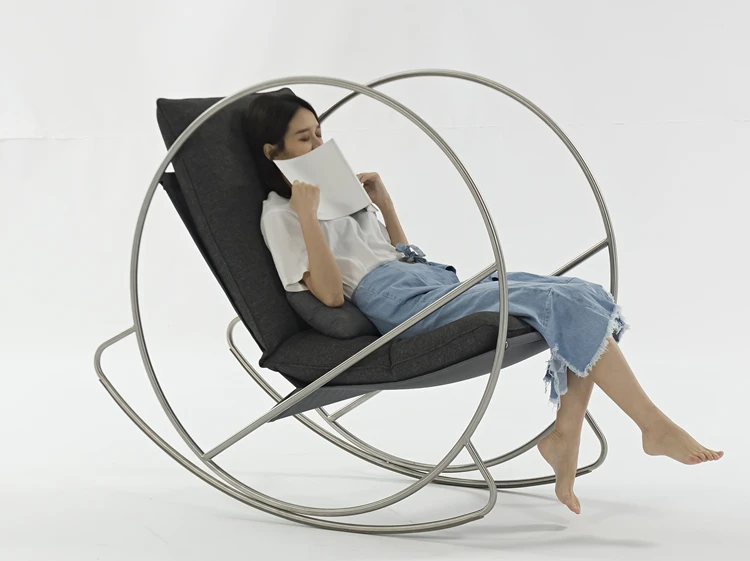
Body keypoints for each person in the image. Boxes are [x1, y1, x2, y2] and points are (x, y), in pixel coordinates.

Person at [244, 89, 723, 515]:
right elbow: (331, 295)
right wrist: (307, 217)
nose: (319, 145)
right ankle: (652, 427)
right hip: (401, 308)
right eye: (305, 138)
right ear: (273, 152)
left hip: (428, 280)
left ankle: (565, 433)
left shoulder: (339, 196)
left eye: (320, 133)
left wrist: (384, 205)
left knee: (580, 292)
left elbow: (397, 255)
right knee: (561, 302)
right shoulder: (281, 216)